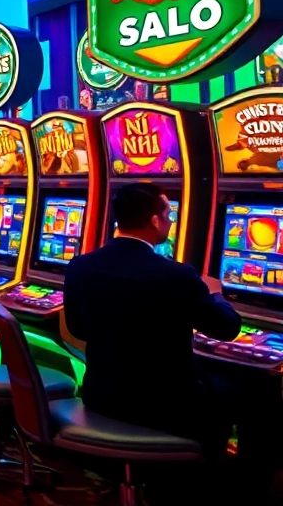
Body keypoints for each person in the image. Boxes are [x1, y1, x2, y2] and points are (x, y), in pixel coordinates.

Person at [65, 184, 268, 484]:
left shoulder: (80, 265)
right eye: (169, 215)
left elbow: (77, 328)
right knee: (254, 395)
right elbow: (227, 328)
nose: (171, 222)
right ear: (155, 221)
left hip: (102, 395)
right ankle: (234, 483)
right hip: (167, 407)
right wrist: (216, 294)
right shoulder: (175, 274)